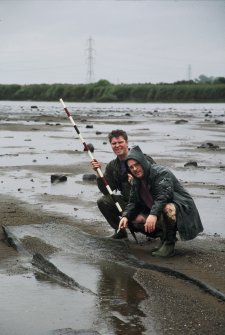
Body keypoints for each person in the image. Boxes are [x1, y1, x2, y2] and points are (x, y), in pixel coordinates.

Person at [119, 145, 203, 257]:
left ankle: (169, 244)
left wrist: (153, 214)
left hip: (182, 211)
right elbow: (133, 202)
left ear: (143, 162)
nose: (135, 169)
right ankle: (164, 238)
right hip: (159, 210)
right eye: (131, 167)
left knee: (168, 208)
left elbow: (164, 196)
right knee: (133, 219)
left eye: (137, 164)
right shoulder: (136, 181)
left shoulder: (161, 172)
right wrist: (125, 216)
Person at [91, 130, 155, 240]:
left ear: (127, 142)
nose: (117, 146)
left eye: (120, 142)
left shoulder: (144, 159)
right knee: (103, 201)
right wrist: (99, 173)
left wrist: (137, 182)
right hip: (128, 203)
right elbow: (107, 191)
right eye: (114, 143)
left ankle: (160, 234)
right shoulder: (112, 166)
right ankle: (120, 231)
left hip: (148, 205)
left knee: (142, 222)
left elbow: (156, 183)